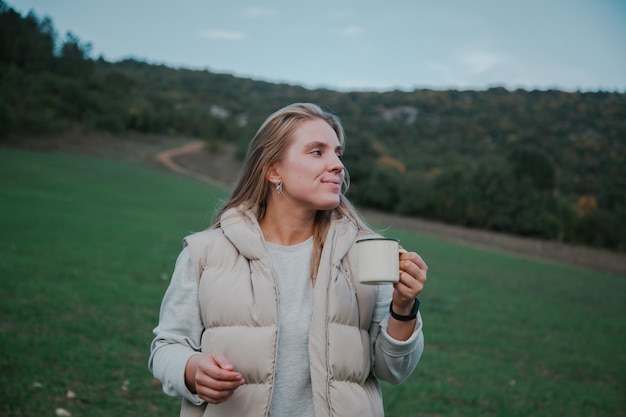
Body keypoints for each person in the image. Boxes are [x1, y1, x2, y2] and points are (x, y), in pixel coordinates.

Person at [149, 102, 428, 417]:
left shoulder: (367, 253)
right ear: (272, 170)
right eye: (317, 152)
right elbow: (165, 349)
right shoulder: (204, 253)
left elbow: (394, 370)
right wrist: (193, 369)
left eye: (338, 153)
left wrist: (403, 308)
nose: (337, 164)